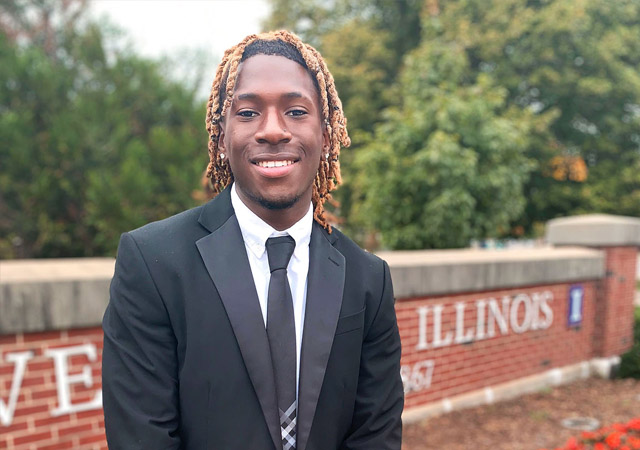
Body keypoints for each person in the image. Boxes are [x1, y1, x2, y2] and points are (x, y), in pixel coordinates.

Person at [102, 30, 403, 450]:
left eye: (297, 111)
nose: (274, 131)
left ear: (327, 132)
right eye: (247, 113)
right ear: (221, 137)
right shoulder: (152, 264)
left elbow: (376, 436)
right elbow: (141, 437)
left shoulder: (368, 279)